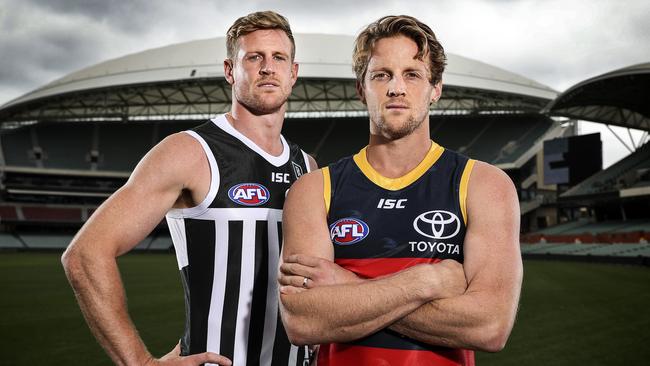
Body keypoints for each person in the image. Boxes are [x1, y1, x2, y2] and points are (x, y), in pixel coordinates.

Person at [62, 11, 317, 366]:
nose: (267, 67)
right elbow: (85, 254)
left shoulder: (306, 167)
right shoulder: (189, 151)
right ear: (230, 70)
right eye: (254, 57)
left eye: (279, 58)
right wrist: (140, 362)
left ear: (293, 73)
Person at [278, 15, 523, 365]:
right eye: (381, 75)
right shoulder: (314, 189)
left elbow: (489, 325)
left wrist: (346, 287)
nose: (396, 87)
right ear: (361, 88)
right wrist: (425, 281)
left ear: (435, 88)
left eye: (412, 74)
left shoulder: (484, 185)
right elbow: (303, 321)